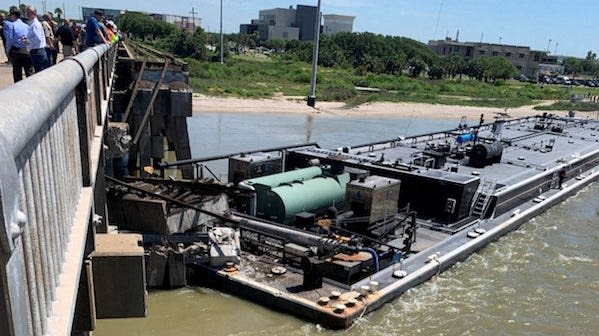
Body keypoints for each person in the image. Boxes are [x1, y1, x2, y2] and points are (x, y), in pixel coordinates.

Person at [3, 9, 33, 82]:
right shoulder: (26, 26)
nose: (9, 17)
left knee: (17, 73)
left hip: (16, 50)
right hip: (26, 50)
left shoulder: (11, 25)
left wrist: (7, 51)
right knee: (29, 72)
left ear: (14, 15)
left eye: (10, 15)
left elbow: (9, 39)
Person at [24, 6, 48, 72]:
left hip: (37, 52)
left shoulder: (35, 25)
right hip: (37, 51)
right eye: (27, 13)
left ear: (34, 13)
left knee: (40, 74)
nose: (27, 14)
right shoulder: (33, 24)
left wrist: (27, 41)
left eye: (29, 13)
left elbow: (38, 39)